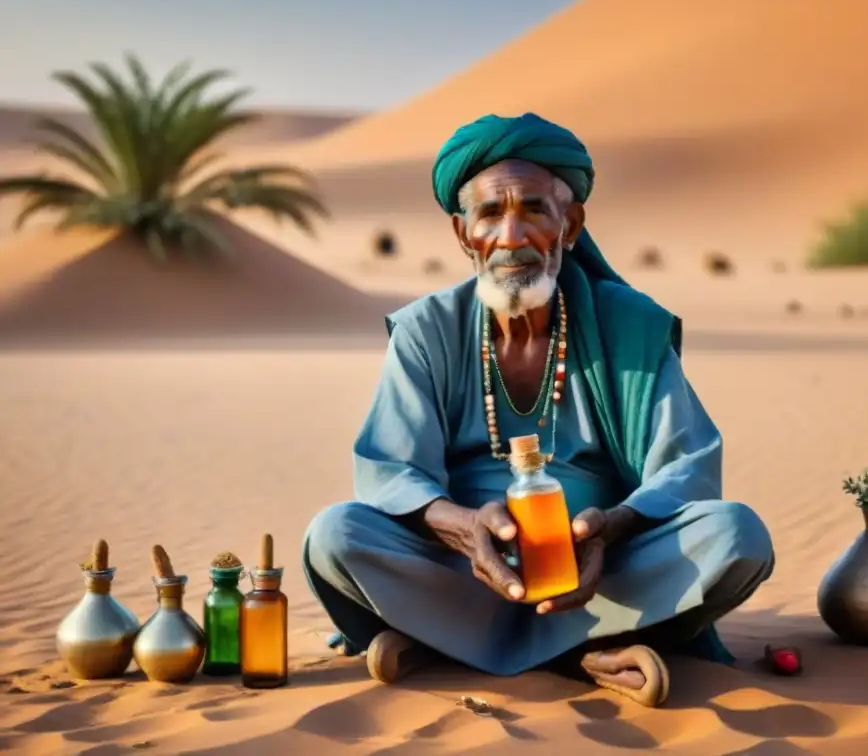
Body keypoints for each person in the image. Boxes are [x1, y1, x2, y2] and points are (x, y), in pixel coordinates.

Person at [303, 113, 774, 708]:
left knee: (737, 534)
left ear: (570, 224)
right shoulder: (427, 332)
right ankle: (593, 654)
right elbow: (391, 472)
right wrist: (462, 528)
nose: (512, 235)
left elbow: (688, 463)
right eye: (490, 214)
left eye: (534, 209)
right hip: (462, 573)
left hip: (602, 578)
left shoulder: (629, 325)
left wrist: (613, 527)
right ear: (462, 233)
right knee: (336, 534)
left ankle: (445, 646)